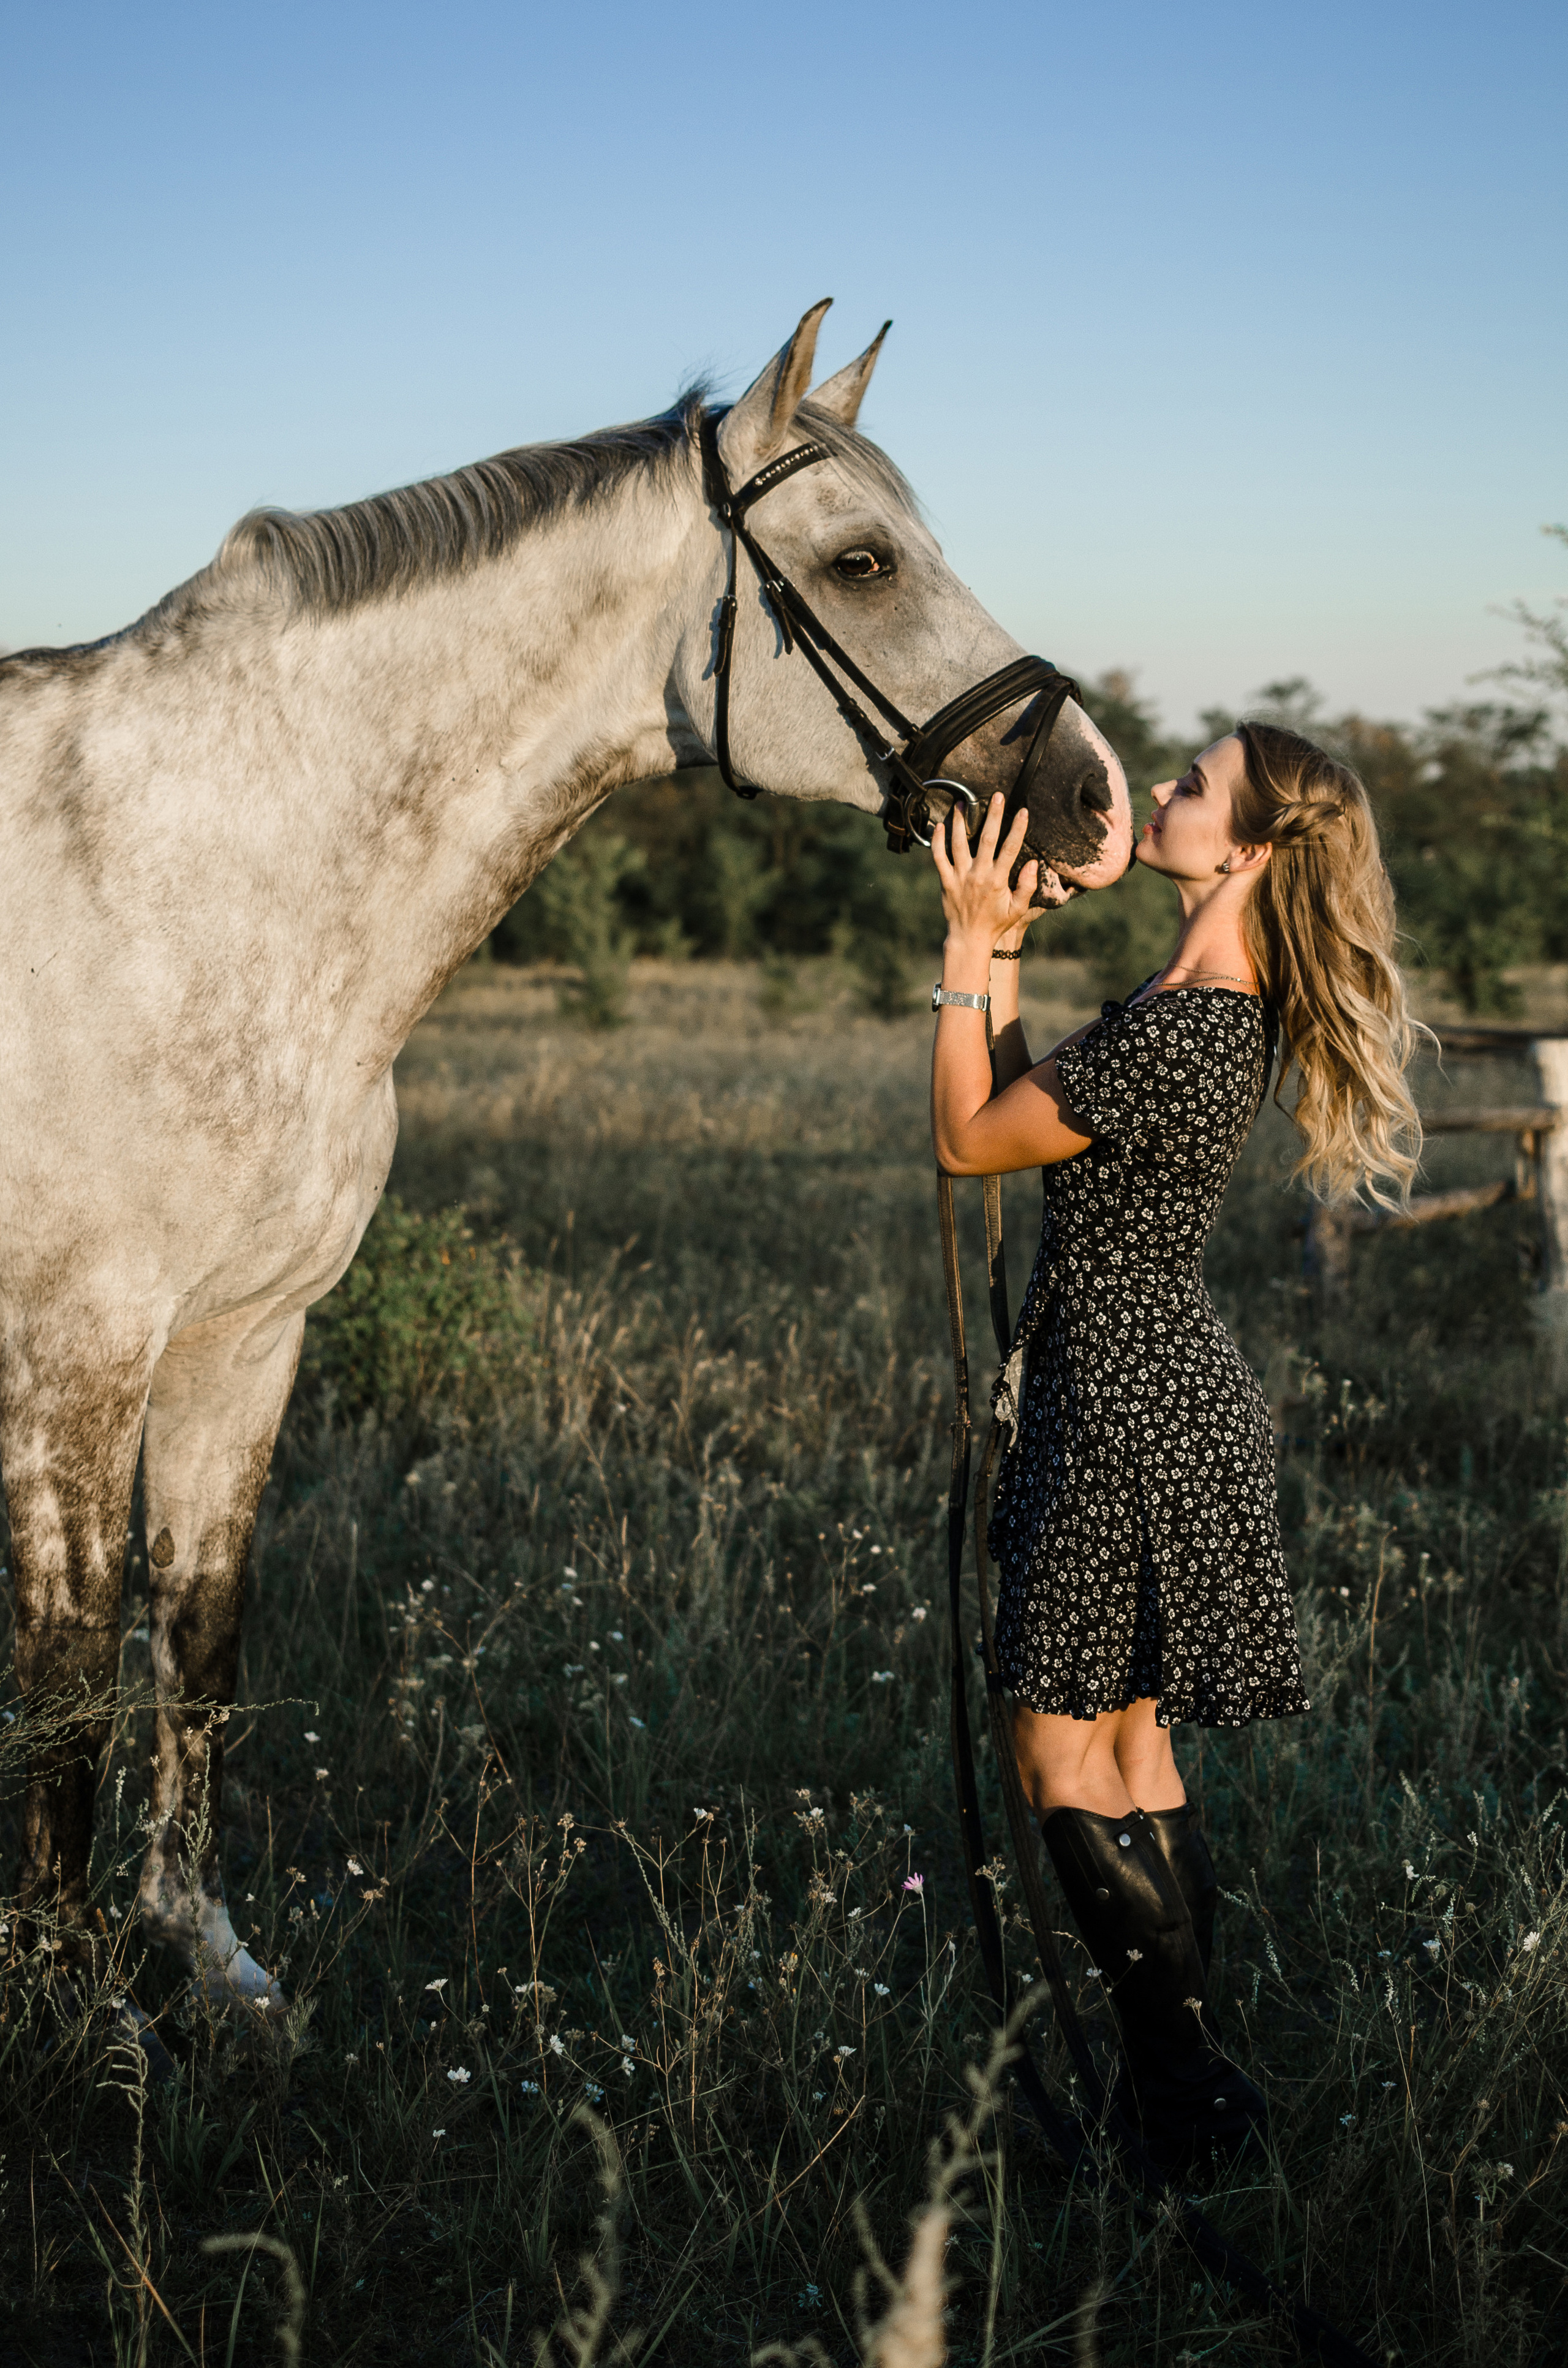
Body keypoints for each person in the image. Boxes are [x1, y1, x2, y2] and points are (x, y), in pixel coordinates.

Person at [929, 721, 1423, 2168]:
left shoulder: (1191, 1015)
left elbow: (966, 1140)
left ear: (1252, 849)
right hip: (1156, 1392)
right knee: (1131, 1747)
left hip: (1126, 1410)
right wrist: (1009, 950)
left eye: (1191, 789)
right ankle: (1189, 2094)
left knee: (1054, 1754)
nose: (1157, 792)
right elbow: (1028, 1122)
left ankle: (1180, 2098)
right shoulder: (1199, 992)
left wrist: (962, 942)